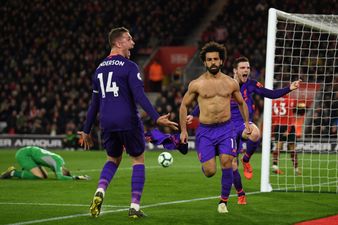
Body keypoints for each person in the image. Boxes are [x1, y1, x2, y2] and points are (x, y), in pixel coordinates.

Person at [77, 27, 178, 219]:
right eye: (129, 39)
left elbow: (94, 104)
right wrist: (156, 117)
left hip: (106, 122)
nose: (133, 42)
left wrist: (86, 130)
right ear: (118, 43)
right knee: (138, 159)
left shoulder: (98, 69)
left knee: (112, 159)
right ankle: (134, 206)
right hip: (128, 119)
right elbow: (140, 95)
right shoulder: (129, 66)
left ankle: (100, 190)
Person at [179, 41, 252, 213]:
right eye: (209, 59)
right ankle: (206, 166)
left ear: (221, 61)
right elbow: (183, 106)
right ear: (204, 62)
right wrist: (183, 130)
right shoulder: (196, 84)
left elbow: (241, 103)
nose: (213, 62)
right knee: (210, 171)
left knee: (227, 162)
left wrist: (247, 123)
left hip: (227, 129)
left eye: (216, 59)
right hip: (205, 131)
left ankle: (223, 202)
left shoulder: (230, 83)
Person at [0, 146, 89, 180]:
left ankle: (24, 170)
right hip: (25, 155)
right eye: (62, 171)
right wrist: (77, 177)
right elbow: (60, 177)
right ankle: (13, 172)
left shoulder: (58, 161)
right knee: (40, 176)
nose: (56, 173)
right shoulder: (59, 163)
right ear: (64, 170)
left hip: (31, 156)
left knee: (45, 176)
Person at [272, 94, 301, 175]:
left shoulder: (274, 100)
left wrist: (274, 126)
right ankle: (296, 169)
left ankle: (275, 166)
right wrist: (288, 130)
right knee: (292, 148)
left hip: (278, 125)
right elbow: (290, 116)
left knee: (278, 146)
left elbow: (273, 115)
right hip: (288, 125)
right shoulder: (290, 100)